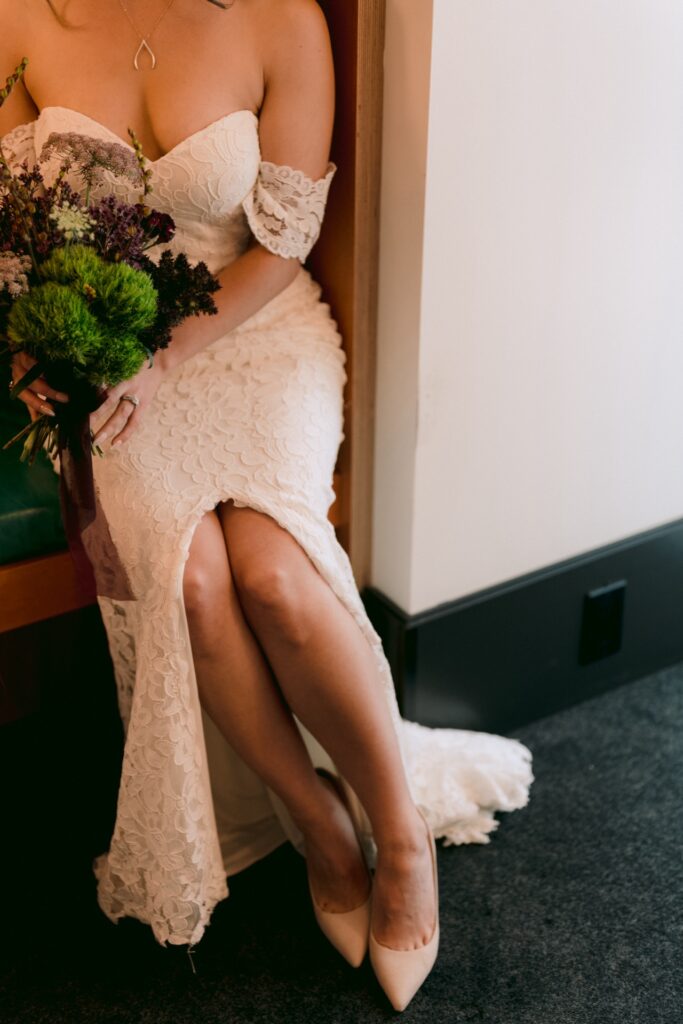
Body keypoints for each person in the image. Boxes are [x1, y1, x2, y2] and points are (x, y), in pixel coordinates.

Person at [1, 0, 533, 1011]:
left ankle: (399, 830)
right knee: (193, 581)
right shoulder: (25, 16)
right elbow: (12, 227)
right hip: (114, 370)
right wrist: (38, 343)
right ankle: (322, 827)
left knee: (276, 582)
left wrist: (168, 358)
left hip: (251, 336)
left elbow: (283, 243)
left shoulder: (280, 16)